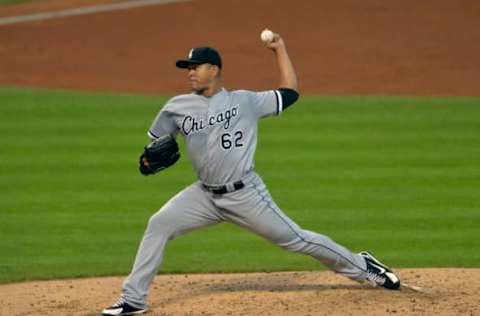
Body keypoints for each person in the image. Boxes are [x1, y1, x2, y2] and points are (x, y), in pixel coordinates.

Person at [102, 32, 400, 316]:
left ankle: (364, 267)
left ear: (214, 69)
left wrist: (279, 49)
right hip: (204, 195)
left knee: (297, 239)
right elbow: (156, 147)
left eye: (195, 67)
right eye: (187, 67)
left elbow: (291, 91)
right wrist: (145, 161)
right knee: (159, 224)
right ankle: (133, 299)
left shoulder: (246, 100)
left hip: (245, 195)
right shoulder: (176, 107)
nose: (190, 72)